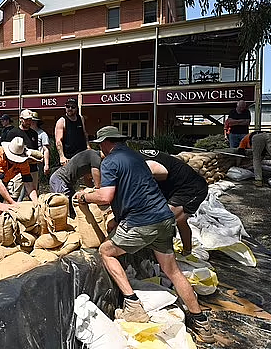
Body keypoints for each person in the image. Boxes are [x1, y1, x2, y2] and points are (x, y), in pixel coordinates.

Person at [73, 126, 214, 343]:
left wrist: (84, 197)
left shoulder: (110, 161)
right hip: (164, 218)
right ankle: (201, 322)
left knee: (106, 252)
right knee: (173, 271)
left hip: (142, 223)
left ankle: (133, 305)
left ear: (105, 143)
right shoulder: (136, 157)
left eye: (100, 145)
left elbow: (105, 196)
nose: (100, 149)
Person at [139, 149, 208, 255]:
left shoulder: (141, 164)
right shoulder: (133, 156)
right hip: (175, 187)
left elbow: (163, 173)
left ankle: (165, 257)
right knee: (180, 221)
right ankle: (187, 251)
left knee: (162, 220)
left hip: (190, 188)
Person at [0, 136, 39, 218]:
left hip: (4, 174)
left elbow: (28, 183)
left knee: (0, 199)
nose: (16, 162)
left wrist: (36, 202)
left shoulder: (24, 163)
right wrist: (13, 203)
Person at [49, 149, 102, 216]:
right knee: (63, 208)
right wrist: (98, 191)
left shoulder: (91, 157)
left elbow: (88, 181)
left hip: (66, 183)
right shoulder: (96, 157)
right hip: (60, 179)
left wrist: (90, 192)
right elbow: (98, 185)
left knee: (74, 207)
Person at [4, 109, 40, 192]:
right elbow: (7, 151)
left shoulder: (34, 133)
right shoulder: (13, 133)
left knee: (33, 191)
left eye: (30, 120)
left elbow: (36, 150)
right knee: (14, 193)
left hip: (32, 167)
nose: (28, 122)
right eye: (26, 119)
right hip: (17, 169)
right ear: (21, 119)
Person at [55, 98, 90, 166]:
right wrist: (62, 157)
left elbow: (84, 133)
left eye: (73, 107)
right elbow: (58, 140)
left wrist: (88, 146)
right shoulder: (62, 121)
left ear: (77, 108)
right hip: (69, 158)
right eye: (68, 106)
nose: (70, 108)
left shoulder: (81, 118)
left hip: (82, 155)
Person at [31, 111, 51, 176]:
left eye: (34, 121)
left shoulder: (42, 134)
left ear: (37, 122)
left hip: (37, 161)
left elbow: (46, 150)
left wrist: (46, 165)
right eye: (30, 121)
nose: (31, 122)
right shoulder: (25, 133)